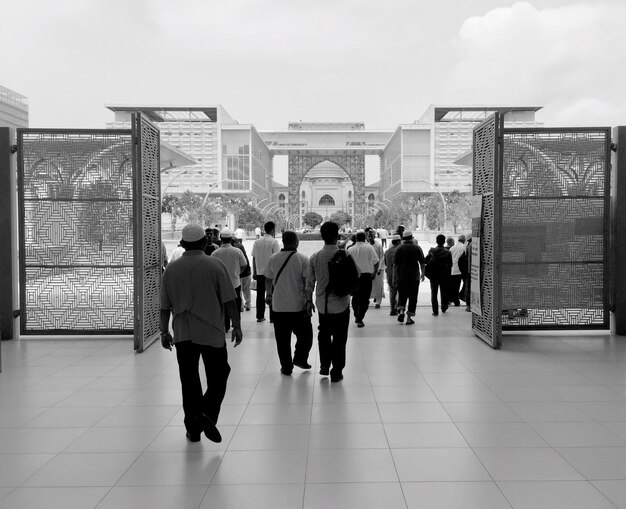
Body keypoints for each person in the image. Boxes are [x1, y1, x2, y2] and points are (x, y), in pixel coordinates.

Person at [160, 223, 242, 443]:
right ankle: (207, 413)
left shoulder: (172, 269)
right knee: (219, 374)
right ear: (205, 242)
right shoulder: (214, 265)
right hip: (211, 331)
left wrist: (163, 332)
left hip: (183, 332)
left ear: (183, 244)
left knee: (189, 381)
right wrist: (237, 325)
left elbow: (164, 307)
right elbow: (229, 299)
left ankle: (193, 429)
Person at [306, 221, 351, 382]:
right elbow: (356, 274)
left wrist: (308, 300)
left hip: (322, 304)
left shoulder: (316, 257)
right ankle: (337, 371)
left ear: (321, 236)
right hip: (341, 303)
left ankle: (325, 364)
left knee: (323, 335)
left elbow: (309, 282)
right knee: (340, 338)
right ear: (337, 235)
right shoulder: (345, 255)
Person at [265, 230, 313, 375]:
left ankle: (286, 367)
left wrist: (268, 294)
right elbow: (307, 282)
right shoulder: (303, 259)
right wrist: (309, 300)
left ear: (283, 242)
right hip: (298, 306)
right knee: (306, 336)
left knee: (282, 340)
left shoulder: (273, 258)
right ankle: (299, 358)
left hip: (279, 306)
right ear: (297, 241)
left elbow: (267, 278)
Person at [211, 228, 247, 332]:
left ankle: (225, 326)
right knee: (235, 305)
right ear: (231, 239)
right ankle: (237, 325)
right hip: (235, 283)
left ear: (221, 238)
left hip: (220, 285)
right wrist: (238, 273)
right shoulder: (237, 251)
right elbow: (244, 265)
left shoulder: (215, 253)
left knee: (223, 306)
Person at [346, 231, 379, 328]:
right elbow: (376, 261)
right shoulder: (369, 247)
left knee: (356, 297)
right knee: (365, 298)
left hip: (354, 277)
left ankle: (357, 314)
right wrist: (374, 272)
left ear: (356, 239)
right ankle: (360, 317)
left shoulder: (350, 249)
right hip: (366, 276)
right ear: (365, 238)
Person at [393, 230, 425, 325]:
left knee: (402, 296)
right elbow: (422, 263)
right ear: (411, 237)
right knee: (413, 297)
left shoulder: (399, 248)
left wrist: (394, 277)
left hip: (401, 277)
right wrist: (422, 274)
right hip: (414, 277)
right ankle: (409, 318)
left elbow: (395, 264)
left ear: (403, 239)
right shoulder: (417, 248)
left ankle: (401, 312)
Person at [251, 221, 280, 323]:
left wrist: (254, 271)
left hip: (259, 273)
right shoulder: (274, 242)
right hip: (271, 274)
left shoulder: (257, 241)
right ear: (272, 229)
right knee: (271, 293)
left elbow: (254, 258)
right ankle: (272, 317)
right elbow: (277, 258)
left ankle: (260, 316)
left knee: (260, 295)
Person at [425, 234, 453, 316]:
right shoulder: (447, 252)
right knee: (443, 292)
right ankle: (444, 307)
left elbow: (426, 261)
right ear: (444, 242)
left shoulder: (432, 251)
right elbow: (450, 265)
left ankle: (435, 311)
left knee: (434, 293)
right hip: (444, 275)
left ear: (436, 241)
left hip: (433, 275)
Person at [233, 236, 252, 311]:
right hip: (247, 272)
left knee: (239, 290)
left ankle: (241, 306)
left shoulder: (234, 249)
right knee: (247, 289)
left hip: (239, 273)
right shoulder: (241, 247)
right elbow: (245, 262)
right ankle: (248, 305)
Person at [384, 234, 402, 316]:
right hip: (400, 276)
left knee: (392, 294)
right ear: (398, 241)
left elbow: (385, 264)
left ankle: (392, 309)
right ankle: (399, 308)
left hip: (390, 276)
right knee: (401, 293)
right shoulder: (401, 250)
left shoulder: (387, 252)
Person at [368, 230, 385, 309]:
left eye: (371, 236)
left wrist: (379, 269)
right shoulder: (366, 246)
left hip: (378, 269)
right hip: (369, 269)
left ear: (374, 237)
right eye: (369, 236)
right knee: (369, 286)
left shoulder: (378, 245)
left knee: (379, 286)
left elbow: (382, 257)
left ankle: (378, 302)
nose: (370, 238)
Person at [449, 234, 466, 307]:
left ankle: (455, 299)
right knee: (460, 285)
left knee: (454, 286)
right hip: (460, 270)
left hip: (452, 269)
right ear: (464, 240)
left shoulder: (452, 248)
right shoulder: (463, 247)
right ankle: (457, 298)